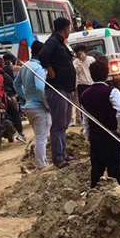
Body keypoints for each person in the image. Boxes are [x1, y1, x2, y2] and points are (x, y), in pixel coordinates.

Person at [80, 58, 120, 187]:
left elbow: (85, 119)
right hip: (111, 137)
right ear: (107, 74)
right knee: (115, 171)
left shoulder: (84, 95)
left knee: (96, 171)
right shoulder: (112, 92)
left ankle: (94, 193)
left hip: (95, 139)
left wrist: (88, 135)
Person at [38, 17, 76, 167]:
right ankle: (58, 157)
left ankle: (63, 153)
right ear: (66, 28)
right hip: (57, 88)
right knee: (58, 125)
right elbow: (42, 55)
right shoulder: (53, 41)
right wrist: (50, 70)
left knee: (64, 124)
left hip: (66, 88)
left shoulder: (61, 43)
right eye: (69, 28)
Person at [17, 41, 51, 169]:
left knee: (39, 137)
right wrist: (46, 104)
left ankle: (41, 162)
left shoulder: (25, 66)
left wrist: (25, 97)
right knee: (42, 138)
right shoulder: (38, 68)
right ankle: (41, 164)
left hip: (29, 107)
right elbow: (40, 88)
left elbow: (16, 84)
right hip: (39, 107)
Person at [72, 45, 94, 124]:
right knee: (83, 104)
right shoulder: (76, 62)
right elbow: (75, 73)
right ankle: (84, 120)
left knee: (92, 102)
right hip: (82, 85)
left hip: (92, 83)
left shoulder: (91, 59)